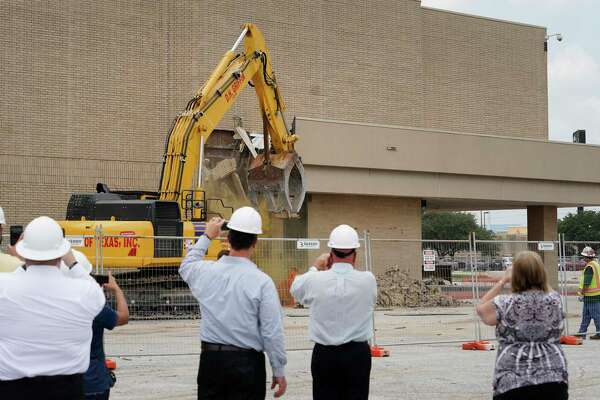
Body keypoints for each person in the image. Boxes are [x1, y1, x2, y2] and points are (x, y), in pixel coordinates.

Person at [179, 207, 287, 399]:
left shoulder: (206, 272)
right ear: (255, 242)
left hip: (211, 361)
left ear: (228, 239)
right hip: (246, 364)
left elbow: (186, 265)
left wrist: (207, 236)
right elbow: (272, 331)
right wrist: (278, 369)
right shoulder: (262, 282)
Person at [0, 216, 105, 399]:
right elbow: (97, 294)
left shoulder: (4, 286)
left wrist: (18, 257)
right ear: (63, 252)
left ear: (23, 251)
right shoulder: (84, 291)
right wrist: (72, 262)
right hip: (67, 389)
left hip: (11, 390)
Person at [290, 224, 377, 400]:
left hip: (325, 354)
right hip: (357, 354)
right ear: (355, 254)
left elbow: (295, 290)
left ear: (331, 253)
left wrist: (316, 266)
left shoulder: (315, 279)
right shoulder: (368, 280)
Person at [476, 251, 568, 400]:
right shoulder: (555, 301)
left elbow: (481, 309)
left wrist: (503, 281)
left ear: (515, 275)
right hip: (553, 377)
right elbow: (550, 291)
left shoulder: (504, 302)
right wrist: (538, 276)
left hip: (512, 379)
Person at [84, 272, 130, 399]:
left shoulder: (52, 304)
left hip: (63, 379)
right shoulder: (92, 305)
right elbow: (123, 317)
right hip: (93, 380)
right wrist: (116, 289)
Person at [576, 246, 600, 339]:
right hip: (591, 296)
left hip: (593, 296)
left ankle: (599, 333)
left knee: (596, 316)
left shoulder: (590, 267)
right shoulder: (596, 264)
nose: (583, 258)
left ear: (586, 257)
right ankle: (582, 333)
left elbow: (587, 282)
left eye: (583, 256)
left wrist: (582, 293)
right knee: (586, 316)